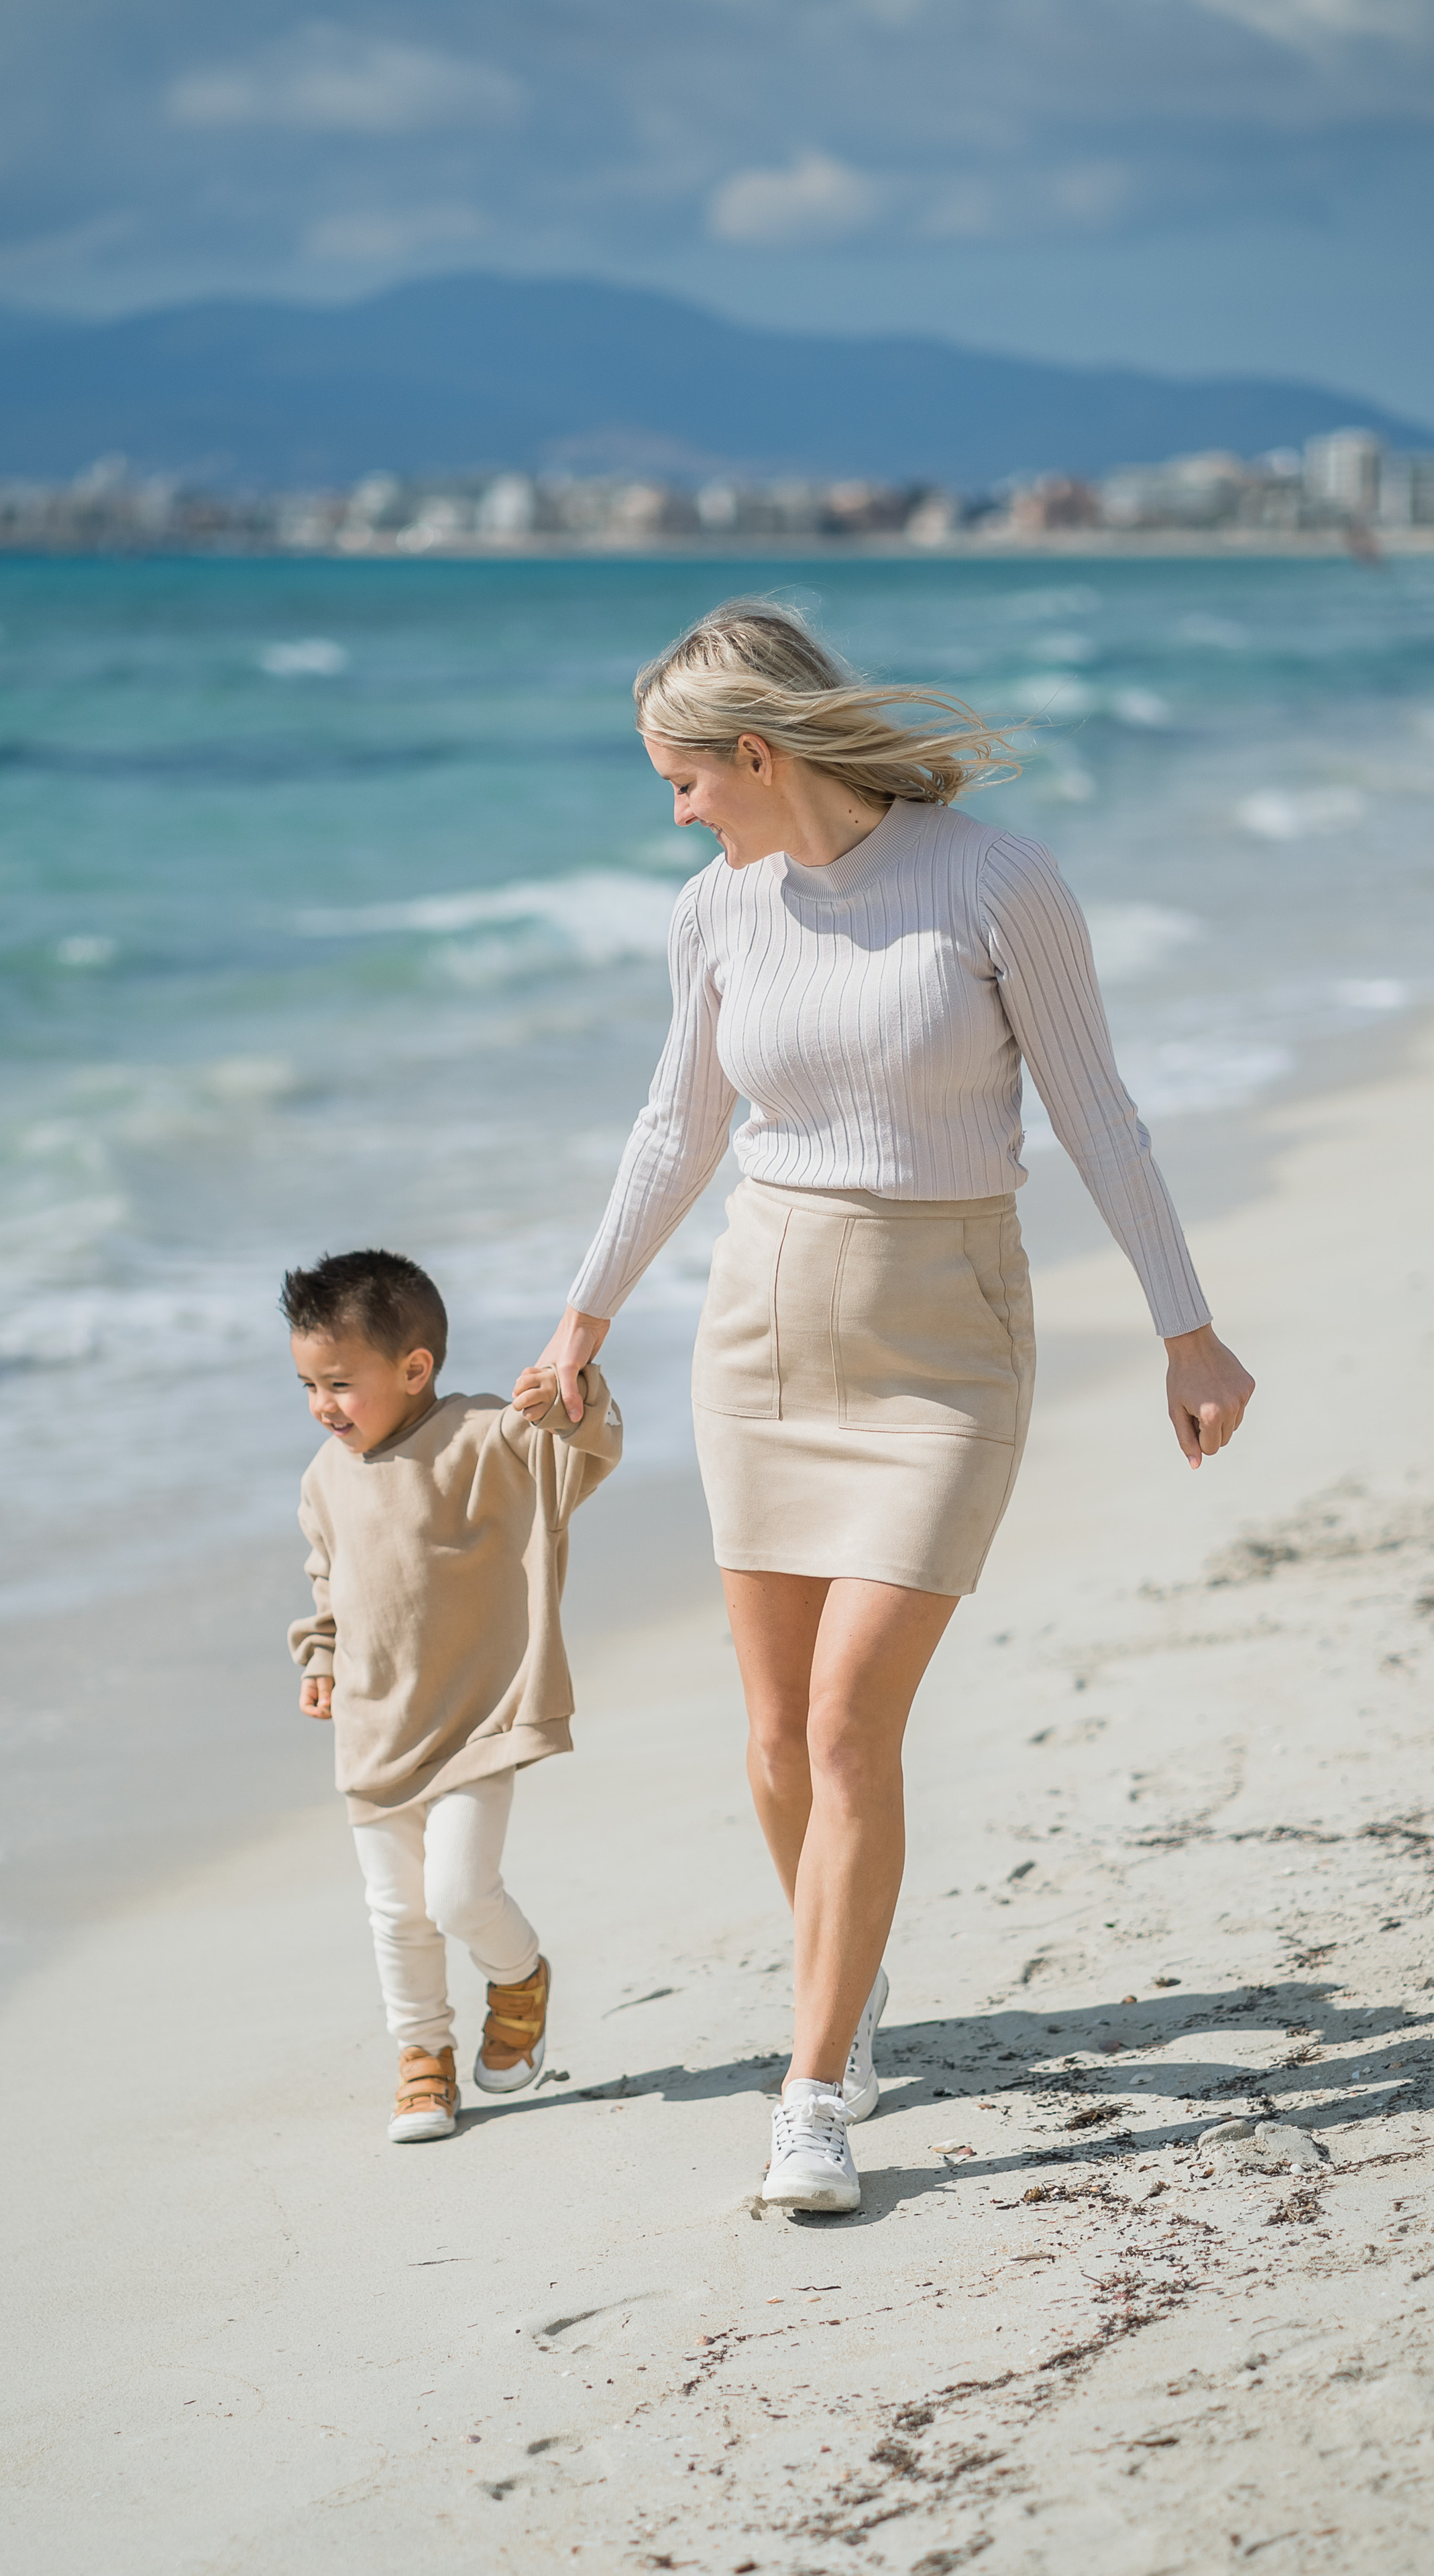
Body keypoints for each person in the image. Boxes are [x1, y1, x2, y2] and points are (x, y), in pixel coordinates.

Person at [525, 601, 1254, 2214]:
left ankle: (810, 2099)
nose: (676, 811)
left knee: (852, 1720)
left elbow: (1096, 1116)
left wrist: (1184, 1332)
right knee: (775, 1734)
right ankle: (841, 2002)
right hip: (762, 1335)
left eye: (684, 779)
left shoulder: (994, 881)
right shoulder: (714, 911)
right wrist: (580, 1322)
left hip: (947, 1343)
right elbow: (673, 1129)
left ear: (757, 754)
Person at [284, 1247, 622, 2144]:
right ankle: (423, 2058)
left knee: (459, 1895)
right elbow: (329, 1582)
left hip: (479, 1714)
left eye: (339, 1384)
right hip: (373, 1725)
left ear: (414, 1367)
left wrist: (568, 1393)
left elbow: (579, 1445)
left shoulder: (483, 1435)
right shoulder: (323, 1478)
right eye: (309, 1387)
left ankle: (518, 1978)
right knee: (397, 1914)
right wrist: (319, 1658)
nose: (323, 1406)